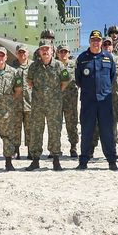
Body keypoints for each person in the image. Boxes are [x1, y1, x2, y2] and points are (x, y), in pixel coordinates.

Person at [76, 30, 118, 170]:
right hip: (88, 101)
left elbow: (112, 76)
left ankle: (111, 161)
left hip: (104, 101)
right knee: (87, 131)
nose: (96, 42)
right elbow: (78, 79)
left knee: (107, 132)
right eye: (93, 40)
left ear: (101, 42)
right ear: (89, 41)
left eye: (98, 40)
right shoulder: (82, 58)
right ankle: (83, 161)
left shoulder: (108, 57)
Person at [25, 41, 70, 171]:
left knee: (54, 131)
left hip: (54, 105)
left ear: (52, 51)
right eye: (42, 49)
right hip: (38, 104)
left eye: (47, 49)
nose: (45, 51)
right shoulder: (34, 66)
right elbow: (29, 81)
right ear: (39, 52)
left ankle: (56, 159)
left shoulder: (59, 65)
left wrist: (56, 93)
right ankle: (35, 160)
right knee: (36, 131)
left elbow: (65, 81)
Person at [56, 44, 80, 157]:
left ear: (69, 53)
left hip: (71, 100)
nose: (63, 54)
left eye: (65, 52)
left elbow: (80, 79)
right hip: (56, 100)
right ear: (57, 54)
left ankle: (73, 147)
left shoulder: (74, 65)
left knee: (72, 124)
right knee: (56, 125)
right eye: (61, 52)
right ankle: (55, 148)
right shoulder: (54, 65)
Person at [13, 45, 33, 158]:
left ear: (27, 53)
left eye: (24, 52)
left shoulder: (33, 66)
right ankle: (16, 151)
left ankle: (30, 151)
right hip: (16, 103)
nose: (22, 54)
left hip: (30, 103)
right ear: (16, 54)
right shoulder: (11, 67)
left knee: (30, 129)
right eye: (20, 52)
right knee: (16, 128)